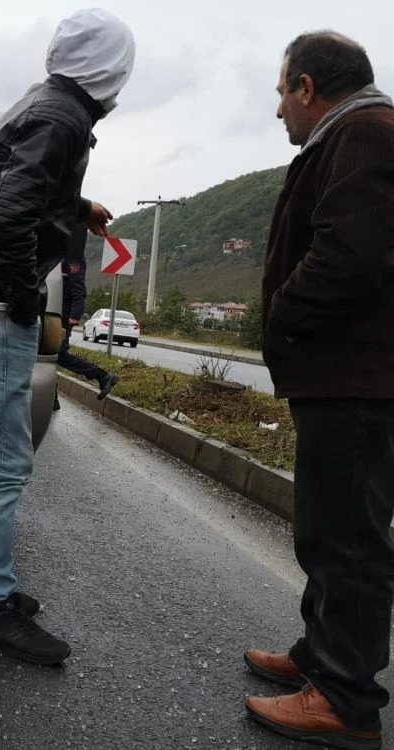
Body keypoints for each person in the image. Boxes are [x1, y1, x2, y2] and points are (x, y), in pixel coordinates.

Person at [0, 8, 135, 666]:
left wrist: (78, 207)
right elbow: (11, 210)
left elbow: (5, 182)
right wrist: (24, 298)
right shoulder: (62, 116)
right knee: (4, 462)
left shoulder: (45, 103)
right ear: (109, 66)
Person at [243, 31, 394, 750]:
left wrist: (284, 315)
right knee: (326, 528)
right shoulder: (357, 133)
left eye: (281, 92)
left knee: (347, 540)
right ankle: (318, 657)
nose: (279, 111)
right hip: (351, 374)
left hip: (359, 377)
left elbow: (351, 255)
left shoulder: (367, 133)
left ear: (307, 87)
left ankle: (344, 699)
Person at [57, 224, 119, 399]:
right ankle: (53, 399)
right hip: (58, 314)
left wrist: (75, 316)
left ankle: (103, 375)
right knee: (51, 354)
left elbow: (79, 290)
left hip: (64, 316)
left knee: (58, 354)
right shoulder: (64, 259)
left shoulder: (74, 260)